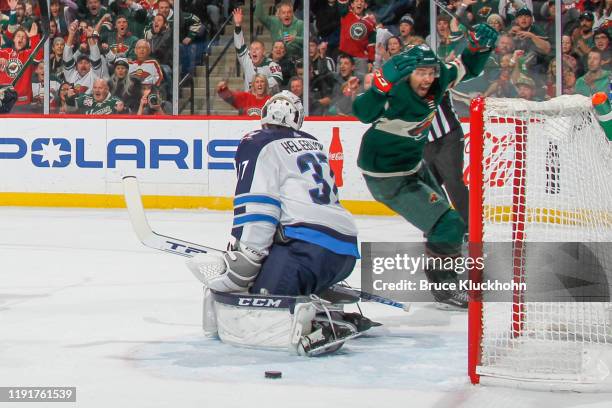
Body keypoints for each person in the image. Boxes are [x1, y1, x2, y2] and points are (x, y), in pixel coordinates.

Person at [187, 91, 367, 356]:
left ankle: (319, 323)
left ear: (264, 114)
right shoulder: (312, 143)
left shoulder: (256, 142)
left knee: (260, 302)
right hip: (345, 253)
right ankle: (319, 298)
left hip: (305, 252)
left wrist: (248, 253)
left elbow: (260, 203)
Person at [352, 25, 498, 309]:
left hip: (412, 163)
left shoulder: (440, 78)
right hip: (386, 175)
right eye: (421, 73)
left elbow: (467, 66)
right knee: (450, 224)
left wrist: (477, 47)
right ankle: (444, 289)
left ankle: (445, 271)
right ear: (408, 73)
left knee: (445, 225)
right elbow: (362, 112)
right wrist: (380, 84)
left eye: (431, 73)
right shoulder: (394, 92)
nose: (427, 80)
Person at [233, 7, 282, 94]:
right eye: (252, 49)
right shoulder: (246, 60)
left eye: (257, 49)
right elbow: (239, 46)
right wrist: (238, 25)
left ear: (264, 52)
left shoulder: (272, 64)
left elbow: (277, 78)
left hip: (265, 103)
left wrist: (259, 84)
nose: (254, 51)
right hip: (249, 102)